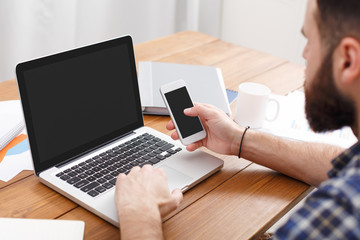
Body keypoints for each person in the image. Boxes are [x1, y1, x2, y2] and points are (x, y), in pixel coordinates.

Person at [115, 0, 360, 238]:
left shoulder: (338, 215)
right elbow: (339, 164)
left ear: (348, 59)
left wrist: (139, 216)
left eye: (309, 40)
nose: (304, 54)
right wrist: (237, 139)